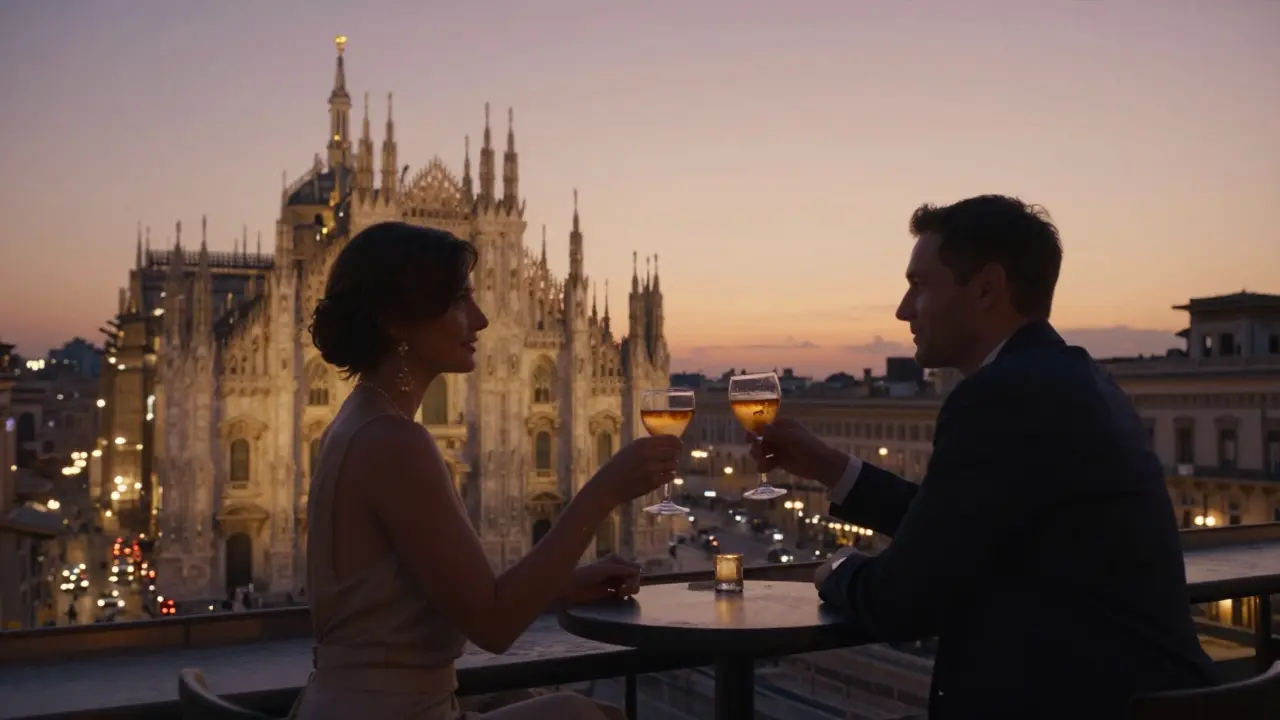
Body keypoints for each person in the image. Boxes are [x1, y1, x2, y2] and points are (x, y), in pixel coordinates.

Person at [751, 196, 1216, 719]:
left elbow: (900, 600)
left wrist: (834, 569)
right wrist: (829, 467)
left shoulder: (1000, 396)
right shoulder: (1076, 377)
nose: (903, 309)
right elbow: (956, 524)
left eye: (919, 285)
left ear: (987, 288)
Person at [292, 222, 681, 720]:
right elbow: (494, 625)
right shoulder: (393, 441)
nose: (480, 319)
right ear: (397, 321)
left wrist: (560, 584)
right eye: (459, 301)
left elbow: (439, 597)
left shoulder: (360, 421)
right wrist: (604, 490)